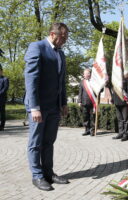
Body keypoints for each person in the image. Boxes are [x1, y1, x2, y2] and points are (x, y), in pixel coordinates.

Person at [24, 22, 69, 191]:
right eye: (62, 37)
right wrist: (34, 107)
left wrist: (63, 102)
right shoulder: (37, 47)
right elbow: (31, 80)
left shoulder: (61, 54)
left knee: (49, 141)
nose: (64, 40)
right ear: (52, 34)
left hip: (54, 107)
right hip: (39, 107)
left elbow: (61, 82)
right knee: (36, 142)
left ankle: (48, 173)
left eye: (66, 38)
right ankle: (37, 176)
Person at [78, 68, 96, 136]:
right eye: (85, 73)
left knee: (92, 117)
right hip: (84, 102)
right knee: (85, 117)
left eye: (88, 73)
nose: (86, 75)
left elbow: (99, 90)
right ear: (84, 75)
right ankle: (87, 130)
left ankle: (92, 131)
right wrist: (79, 101)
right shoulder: (82, 82)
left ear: (90, 74)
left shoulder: (94, 81)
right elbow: (80, 92)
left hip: (92, 102)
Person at [0, 65, 9, 131]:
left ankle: (2, 126)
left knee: (2, 112)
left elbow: (5, 88)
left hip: (2, 98)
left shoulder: (5, 79)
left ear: (1, 71)